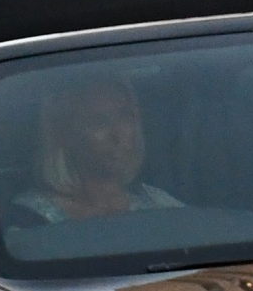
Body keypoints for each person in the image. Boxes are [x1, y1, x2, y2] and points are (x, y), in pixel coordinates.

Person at [15, 73, 182, 223]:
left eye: (126, 117)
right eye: (100, 122)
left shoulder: (161, 206)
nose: (118, 135)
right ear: (64, 135)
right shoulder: (30, 220)